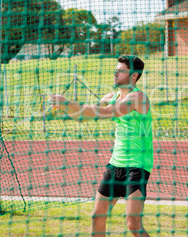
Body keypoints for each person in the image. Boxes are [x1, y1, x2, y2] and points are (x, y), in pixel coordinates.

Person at [49, 55, 153, 237]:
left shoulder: (138, 97)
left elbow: (108, 112)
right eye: (116, 69)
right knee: (97, 216)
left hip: (137, 166)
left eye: (120, 71)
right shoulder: (111, 97)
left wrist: (67, 102)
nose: (115, 73)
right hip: (115, 165)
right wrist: (65, 107)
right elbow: (83, 117)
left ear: (134, 76)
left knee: (133, 224)